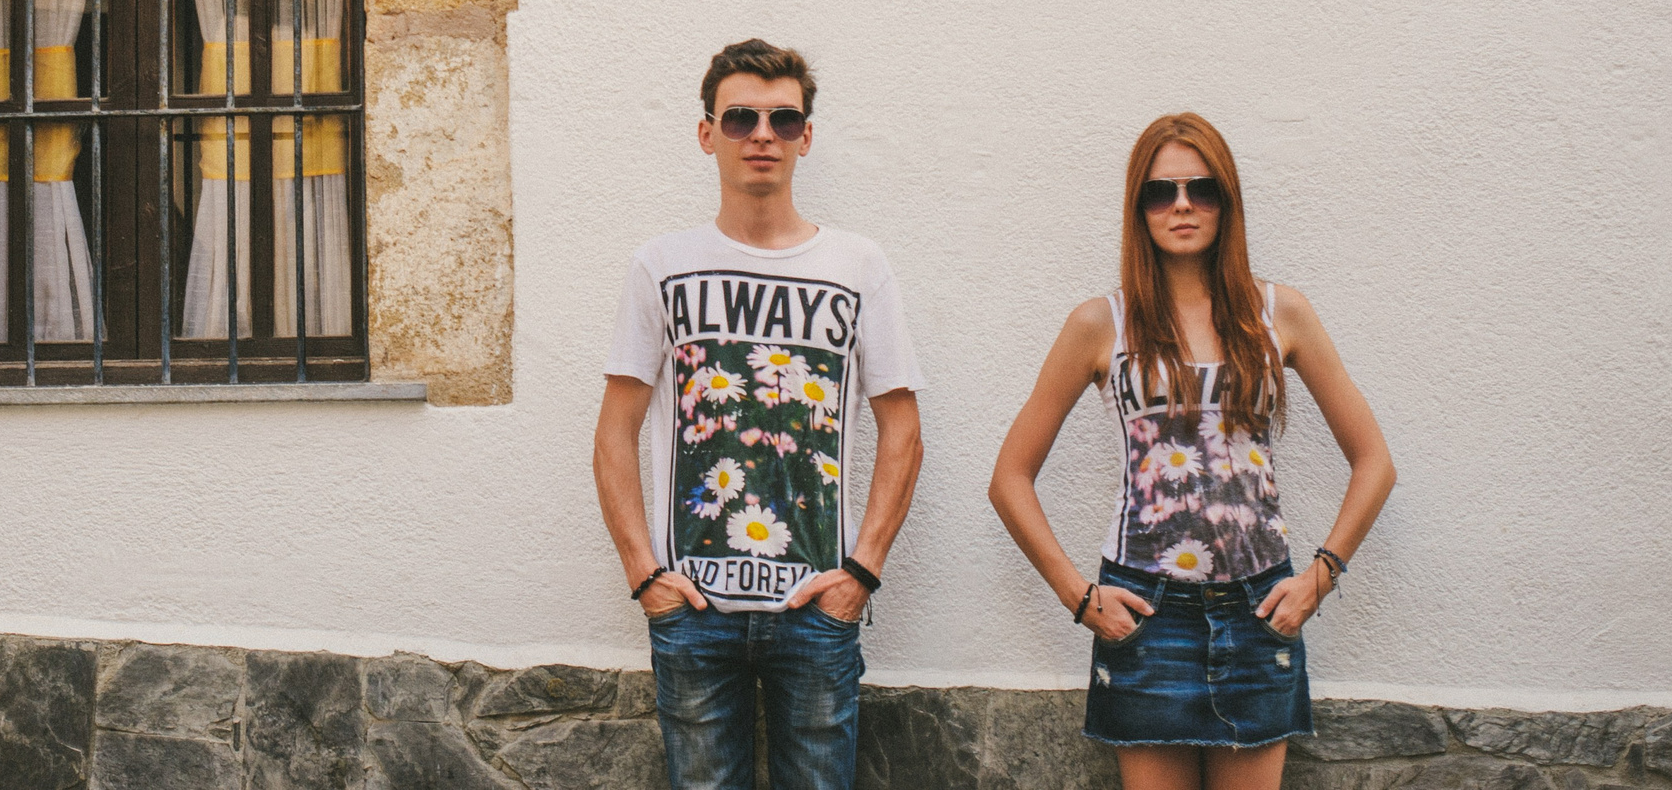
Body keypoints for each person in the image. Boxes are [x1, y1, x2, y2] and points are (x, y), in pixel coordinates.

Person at [987, 112, 1395, 790]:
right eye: (1160, 191)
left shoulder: (1279, 315)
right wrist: (1078, 596)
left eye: (1201, 189)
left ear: (1226, 202)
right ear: (1138, 207)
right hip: (1146, 614)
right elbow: (1010, 477)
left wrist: (1319, 579)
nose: (1181, 205)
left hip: (1262, 604)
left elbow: (1375, 461)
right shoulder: (1101, 324)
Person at [594, 39, 924, 790]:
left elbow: (903, 432)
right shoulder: (661, 266)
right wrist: (646, 575)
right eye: (740, 117)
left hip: (816, 610)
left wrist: (860, 575)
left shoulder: (857, 267)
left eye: (782, 118)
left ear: (807, 136)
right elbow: (614, 430)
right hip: (693, 609)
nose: (762, 134)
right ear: (707, 133)